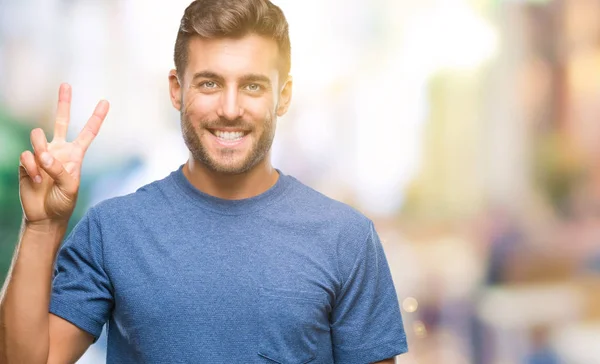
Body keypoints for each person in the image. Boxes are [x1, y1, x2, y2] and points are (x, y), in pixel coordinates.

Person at [0, 0, 408, 362]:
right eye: (209, 83)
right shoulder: (113, 231)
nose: (230, 109)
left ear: (283, 96)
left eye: (252, 86)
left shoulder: (346, 239)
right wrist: (42, 226)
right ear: (177, 90)